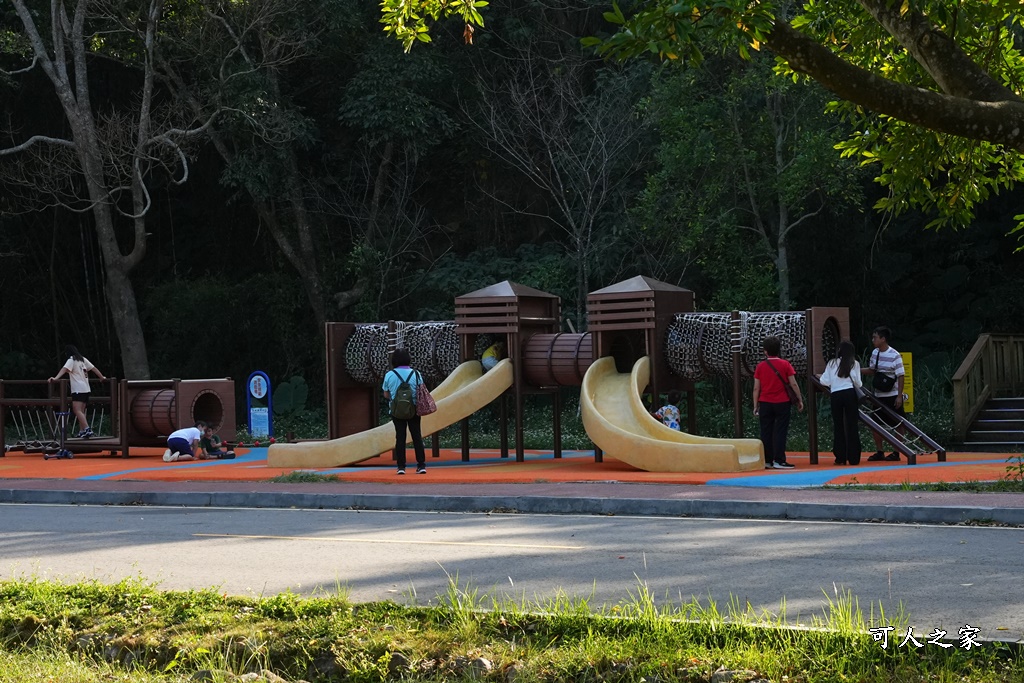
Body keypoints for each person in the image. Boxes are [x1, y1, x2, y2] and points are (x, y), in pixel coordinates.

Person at [752, 336, 804, 470]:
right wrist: (799, 399)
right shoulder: (785, 364)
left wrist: (755, 404)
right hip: (782, 402)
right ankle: (779, 460)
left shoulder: (760, 366)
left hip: (765, 402)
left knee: (766, 431)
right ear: (779, 349)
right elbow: (793, 383)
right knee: (780, 431)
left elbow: (756, 387)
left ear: (765, 351)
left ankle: (767, 460)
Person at [862, 326, 906, 462]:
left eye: (875, 337)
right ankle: (879, 451)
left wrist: (899, 396)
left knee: (899, 423)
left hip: (892, 394)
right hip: (879, 394)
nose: (873, 340)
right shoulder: (875, 353)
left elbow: (901, 375)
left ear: (883, 339)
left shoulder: (895, 355)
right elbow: (872, 370)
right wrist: (855, 369)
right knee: (875, 423)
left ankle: (896, 451)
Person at [381, 348, 427, 475]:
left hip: (396, 411)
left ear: (394, 361)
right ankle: (421, 465)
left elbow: (386, 394)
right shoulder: (416, 374)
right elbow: (420, 391)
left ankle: (401, 467)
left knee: (400, 438)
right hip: (414, 409)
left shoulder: (389, 375)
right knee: (417, 436)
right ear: (408, 359)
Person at [818, 340, 863, 466]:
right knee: (852, 425)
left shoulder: (832, 363)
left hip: (836, 395)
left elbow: (824, 381)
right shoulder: (855, 363)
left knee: (838, 426)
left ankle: (840, 457)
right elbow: (859, 383)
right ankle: (854, 458)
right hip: (849, 393)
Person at [49, 345, 106, 438]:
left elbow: (64, 369)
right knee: (81, 411)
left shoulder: (71, 360)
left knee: (76, 410)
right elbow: (93, 368)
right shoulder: (82, 359)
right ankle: (82, 430)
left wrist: (55, 378)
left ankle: (87, 429)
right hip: (86, 388)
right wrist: (102, 377)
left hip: (78, 389)